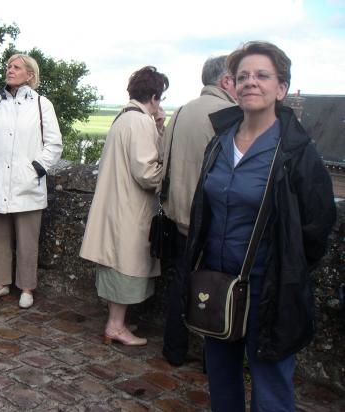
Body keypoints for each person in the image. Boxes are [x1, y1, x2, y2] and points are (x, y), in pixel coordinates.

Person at [185, 41, 336, 411]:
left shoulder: (295, 151)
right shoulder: (219, 143)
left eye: (262, 75)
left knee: (271, 388)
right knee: (221, 380)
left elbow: (318, 224)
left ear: (281, 89)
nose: (251, 82)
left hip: (272, 291)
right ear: (232, 86)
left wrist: (289, 268)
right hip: (220, 282)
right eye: (243, 76)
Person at [80, 66, 169, 346]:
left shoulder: (124, 117)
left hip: (116, 204)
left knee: (115, 261)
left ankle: (115, 321)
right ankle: (115, 326)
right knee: (124, 265)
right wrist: (166, 175)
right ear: (154, 96)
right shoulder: (140, 122)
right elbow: (145, 172)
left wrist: (158, 127)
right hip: (129, 208)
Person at [161, 55, 237, 366]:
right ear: (225, 81)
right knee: (216, 289)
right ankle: (212, 359)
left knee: (181, 281)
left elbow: (163, 162)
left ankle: (174, 350)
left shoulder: (180, 112)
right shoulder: (230, 114)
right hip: (212, 219)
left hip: (178, 214)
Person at [0, 54, 62, 309]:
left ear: (30, 75)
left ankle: (26, 287)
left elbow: (54, 143)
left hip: (27, 184)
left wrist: (35, 168)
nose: (10, 70)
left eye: (16, 67)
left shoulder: (41, 104)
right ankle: (1, 284)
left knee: (27, 240)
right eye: (8, 67)